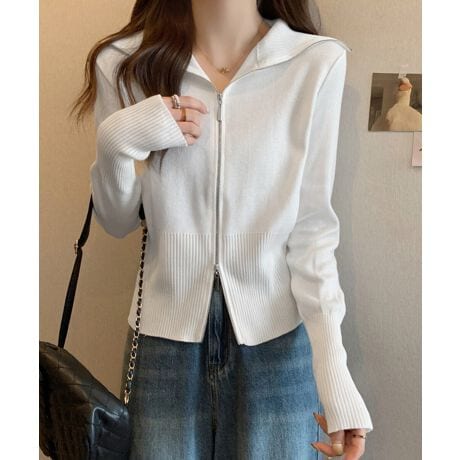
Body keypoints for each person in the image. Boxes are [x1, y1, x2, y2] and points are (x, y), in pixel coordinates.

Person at [70, 0, 373, 458]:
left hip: (278, 341)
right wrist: (115, 143)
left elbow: (311, 231)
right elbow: (116, 221)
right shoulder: (124, 62)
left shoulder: (314, 62)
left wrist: (334, 371)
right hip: (163, 342)